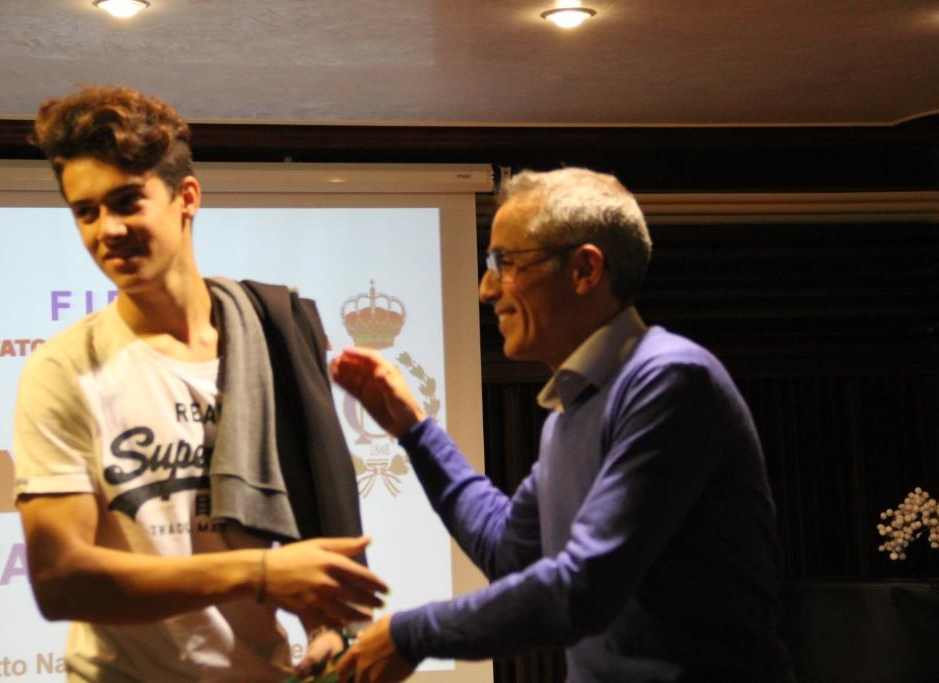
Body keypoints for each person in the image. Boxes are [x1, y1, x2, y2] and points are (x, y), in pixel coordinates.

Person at [331, 168, 795, 682]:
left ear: (584, 270)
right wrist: (414, 430)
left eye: (505, 263)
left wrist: (411, 633)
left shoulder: (669, 380)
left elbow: (583, 588)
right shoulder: (573, 411)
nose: (487, 289)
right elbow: (509, 552)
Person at [12, 86, 387, 682]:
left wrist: (328, 630)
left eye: (127, 201)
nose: (108, 229)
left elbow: (313, 517)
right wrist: (257, 575)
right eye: (86, 212)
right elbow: (61, 581)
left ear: (187, 197)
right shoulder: (64, 369)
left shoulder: (269, 336)